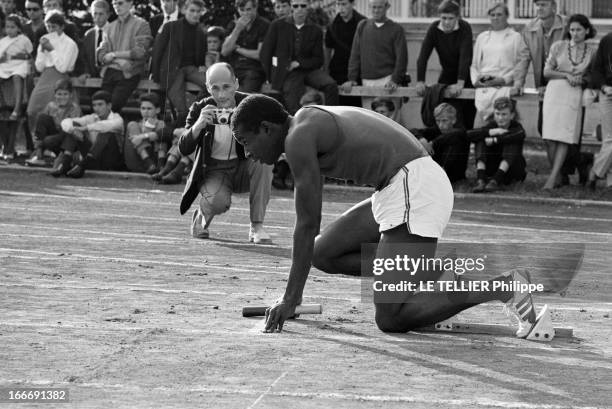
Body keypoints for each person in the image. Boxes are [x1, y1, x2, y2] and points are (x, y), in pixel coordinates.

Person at [230, 93, 541, 337]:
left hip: (413, 185)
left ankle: (505, 285)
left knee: (390, 318)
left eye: (245, 141)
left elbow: (308, 222)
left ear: (267, 129)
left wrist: (290, 299)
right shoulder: (304, 120)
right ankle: (430, 271)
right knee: (324, 252)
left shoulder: (298, 137)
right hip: (397, 186)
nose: (247, 153)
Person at [177, 62, 273, 243]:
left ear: (236, 84)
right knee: (218, 202)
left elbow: (271, 134)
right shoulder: (200, 108)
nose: (221, 95)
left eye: (226, 87)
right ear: (207, 88)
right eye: (215, 88)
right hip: (214, 170)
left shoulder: (252, 104)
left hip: (244, 166)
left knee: (264, 161)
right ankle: (202, 216)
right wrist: (198, 125)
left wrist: (248, 124)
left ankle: (257, 226)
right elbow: (183, 147)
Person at [515, 0, 584, 187]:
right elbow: (523, 58)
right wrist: (518, 82)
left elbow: (577, 52)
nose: (539, 8)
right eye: (537, 5)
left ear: (554, 7)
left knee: (567, 133)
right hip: (544, 88)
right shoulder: (529, 28)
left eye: (544, 5)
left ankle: (564, 175)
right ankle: (560, 173)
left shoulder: (567, 25)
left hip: (567, 86)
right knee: (544, 130)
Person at [541, 14, 597, 190]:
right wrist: (566, 74)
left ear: (587, 30)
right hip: (555, 92)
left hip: (573, 94)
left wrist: (581, 79)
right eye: (572, 29)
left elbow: (593, 75)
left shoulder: (592, 51)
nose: (575, 33)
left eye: (579, 29)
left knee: (564, 137)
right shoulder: (558, 46)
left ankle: (552, 178)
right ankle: (557, 174)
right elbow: (547, 72)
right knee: (549, 137)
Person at [260, 0, 339, 114]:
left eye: (303, 6)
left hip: (308, 70)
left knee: (331, 85)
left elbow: (319, 60)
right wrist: (270, 77)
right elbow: (265, 53)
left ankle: (333, 117)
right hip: (287, 72)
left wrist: (299, 63)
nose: (299, 9)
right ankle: (296, 126)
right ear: (291, 7)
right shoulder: (277, 25)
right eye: (296, 6)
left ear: (308, 8)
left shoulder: (315, 29)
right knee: (293, 99)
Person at [342, 0, 407, 121]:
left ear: (387, 7)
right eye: (373, 7)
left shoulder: (396, 29)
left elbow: (402, 58)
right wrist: (351, 78)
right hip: (367, 81)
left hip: (388, 82)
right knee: (369, 121)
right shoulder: (362, 26)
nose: (376, 10)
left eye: (379, 7)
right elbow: (355, 54)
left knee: (391, 122)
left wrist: (395, 79)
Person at [415, 0, 475, 129]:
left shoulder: (465, 27)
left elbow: (465, 57)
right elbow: (423, 57)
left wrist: (460, 82)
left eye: (451, 18)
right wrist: (420, 81)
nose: (447, 22)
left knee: (467, 116)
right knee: (442, 112)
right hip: (447, 73)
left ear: (458, 17)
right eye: (444, 18)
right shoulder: (434, 28)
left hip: (466, 75)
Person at [151, 0, 207, 126]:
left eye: (198, 11)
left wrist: (202, 66)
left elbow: (201, 55)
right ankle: (183, 122)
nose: (195, 14)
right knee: (181, 109)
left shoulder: (201, 31)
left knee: (211, 84)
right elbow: (158, 51)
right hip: (172, 70)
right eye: (192, 10)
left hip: (191, 68)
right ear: (184, 11)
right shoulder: (171, 26)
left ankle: (195, 108)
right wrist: (155, 74)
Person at [470, 3, 522, 126]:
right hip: (484, 89)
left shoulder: (515, 37)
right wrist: (476, 81)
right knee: (482, 131)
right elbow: (474, 64)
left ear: (507, 16)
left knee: (503, 131)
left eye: (499, 14)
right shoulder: (482, 37)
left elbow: (519, 65)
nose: (495, 18)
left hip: (504, 88)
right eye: (492, 15)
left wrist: (503, 80)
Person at [25, 10, 78, 133]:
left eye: (53, 27)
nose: (50, 30)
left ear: (62, 27)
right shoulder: (44, 40)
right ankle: (38, 143)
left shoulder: (70, 44)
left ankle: (53, 145)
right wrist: (42, 51)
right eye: (48, 26)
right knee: (32, 110)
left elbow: (63, 67)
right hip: (45, 77)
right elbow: (39, 67)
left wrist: (52, 50)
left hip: (60, 78)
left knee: (55, 113)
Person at [98, 0, 152, 114]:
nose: (117, 6)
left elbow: (140, 52)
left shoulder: (141, 24)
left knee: (113, 107)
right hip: (109, 72)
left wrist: (114, 55)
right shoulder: (108, 27)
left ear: (130, 3)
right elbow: (101, 55)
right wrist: (118, 60)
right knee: (101, 106)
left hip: (130, 72)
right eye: (115, 3)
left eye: (120, 3)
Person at [59, 90, 125, 178]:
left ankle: (82, 166)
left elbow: (105, 125)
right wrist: (72, 129)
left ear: (109, 106)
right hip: (92, 160)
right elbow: (66, 122)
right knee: (74, 126)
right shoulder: (91, 117)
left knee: (106, 132)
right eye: (94, 105)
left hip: (111, 160)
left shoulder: (118, 119)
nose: (97, 108)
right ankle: (64, 164)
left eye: (100, 104)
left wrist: (86, 128)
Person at [467, 97, 526, 193]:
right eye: (497, 114)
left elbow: (520, 134)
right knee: (481, 138)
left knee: (510, 141)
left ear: (512, 115)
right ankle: (480, 180)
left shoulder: (517, 127)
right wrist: (491, 131)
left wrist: (495, 140)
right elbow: (469, 134)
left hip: (511, 171)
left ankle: (495, 181)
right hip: (492, 168)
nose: (500, 118)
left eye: (504, 114)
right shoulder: (492, 126)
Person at [25, 79, 81, 167]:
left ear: (71, 95)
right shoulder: (51, 106)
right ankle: (38, 152)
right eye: (59, 94)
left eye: (65, 94)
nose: (62, 97)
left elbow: (72, 131)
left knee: (67, 129)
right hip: (52, 136)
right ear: (55, 95)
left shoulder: (74, 108)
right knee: (42, 117)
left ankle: (62, 156)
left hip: (66, 139)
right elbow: (41, 126)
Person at [412, 103, 469, 183]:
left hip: (454, 174)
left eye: (444, 121)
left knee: (453, 140)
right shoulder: (436, 130)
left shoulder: (460, 131)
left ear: (453, 120)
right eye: (438, 121)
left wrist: (433, 143)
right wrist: (421, 139)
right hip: (436, 171)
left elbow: (457, 134)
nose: (440, 125)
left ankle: (439, 174)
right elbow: (412, 131)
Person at [221, 0, 270, 93]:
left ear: (255, 8)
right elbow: (224, 51)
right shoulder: (233, 25)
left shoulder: (264, 25)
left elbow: (260, 54)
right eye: (242, 10)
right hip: (234, 68)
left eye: (248, 9)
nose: (245, 13)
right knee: (212, 85)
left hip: (254, 69)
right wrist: (237, 29)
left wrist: (237, 49)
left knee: (244, 95)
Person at [324, 0, 365, 107]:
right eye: (338, 4)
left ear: (352, 4)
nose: (340, 8)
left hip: (358, 72)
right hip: (337, 71)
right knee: (339, 108)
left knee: (357, 109)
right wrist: (326, 71)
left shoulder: (362, 22)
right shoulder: (332, 24)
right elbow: (327, 50)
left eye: (344, 4)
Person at [588, 31, 612, 189]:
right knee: (609, 139)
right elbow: (596, 70)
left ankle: (595, 173)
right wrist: (604, 87)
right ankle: (610, 182)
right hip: (608, 95)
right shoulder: (607, 40)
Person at [126, 93, 173, 174]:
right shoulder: (136, 125)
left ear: (157, 110)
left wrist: (143, 136)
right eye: (143, 108)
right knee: (132, 124)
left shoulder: (160, 123)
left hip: (156, 159)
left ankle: (160, 165)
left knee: (160, 125)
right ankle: (149, 163)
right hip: (139, 160)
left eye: (149, 108)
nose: (145, 112)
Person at [0, 14, 33, 121]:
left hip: (20, 64)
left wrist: (14, 56)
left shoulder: (24, 40)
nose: (9, 30)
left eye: (12, 27)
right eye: (7, 27)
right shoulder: (3, 41)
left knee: (17, 76)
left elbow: (30, 56)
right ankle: (2, 106)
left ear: (18, 28)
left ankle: (17, 108)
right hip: (5, 65)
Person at [75, 0, 110, 81]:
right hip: (92, 78)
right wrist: (86, 72)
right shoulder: (89, 34)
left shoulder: (115, 31)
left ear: (107, 15)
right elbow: (84, 58)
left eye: (101, 14)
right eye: (95, 13)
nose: (97, 17)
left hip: (110, 78)